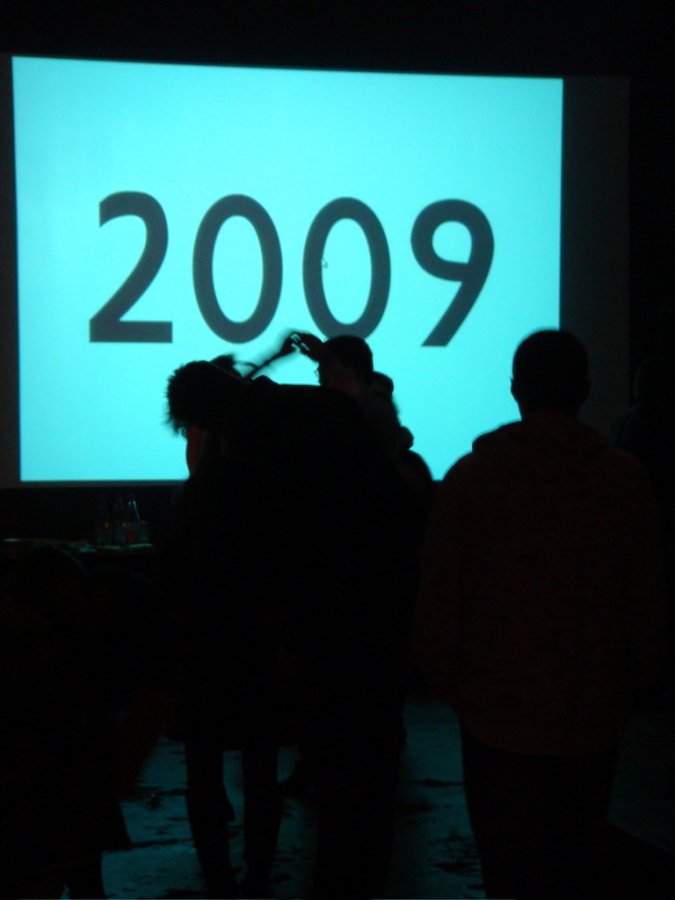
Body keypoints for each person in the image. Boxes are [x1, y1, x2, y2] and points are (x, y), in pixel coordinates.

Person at [413, 329, 667, 899]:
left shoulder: (471, 479)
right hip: (591, 713)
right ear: (585, 389)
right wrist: (633, 683)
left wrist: (453, 685)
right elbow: (646, 601)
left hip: (495, 717)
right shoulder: (622, 480)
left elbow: (440, 599)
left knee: (507, 871)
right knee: (576, 870)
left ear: (515, 389)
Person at [163, 360, 418, 899]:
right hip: (315, 633)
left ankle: (230, 881)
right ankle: (267, 878)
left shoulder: (242, 463)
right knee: (291, 772)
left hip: (250, 637)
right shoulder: (311, 416)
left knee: (217, 766)